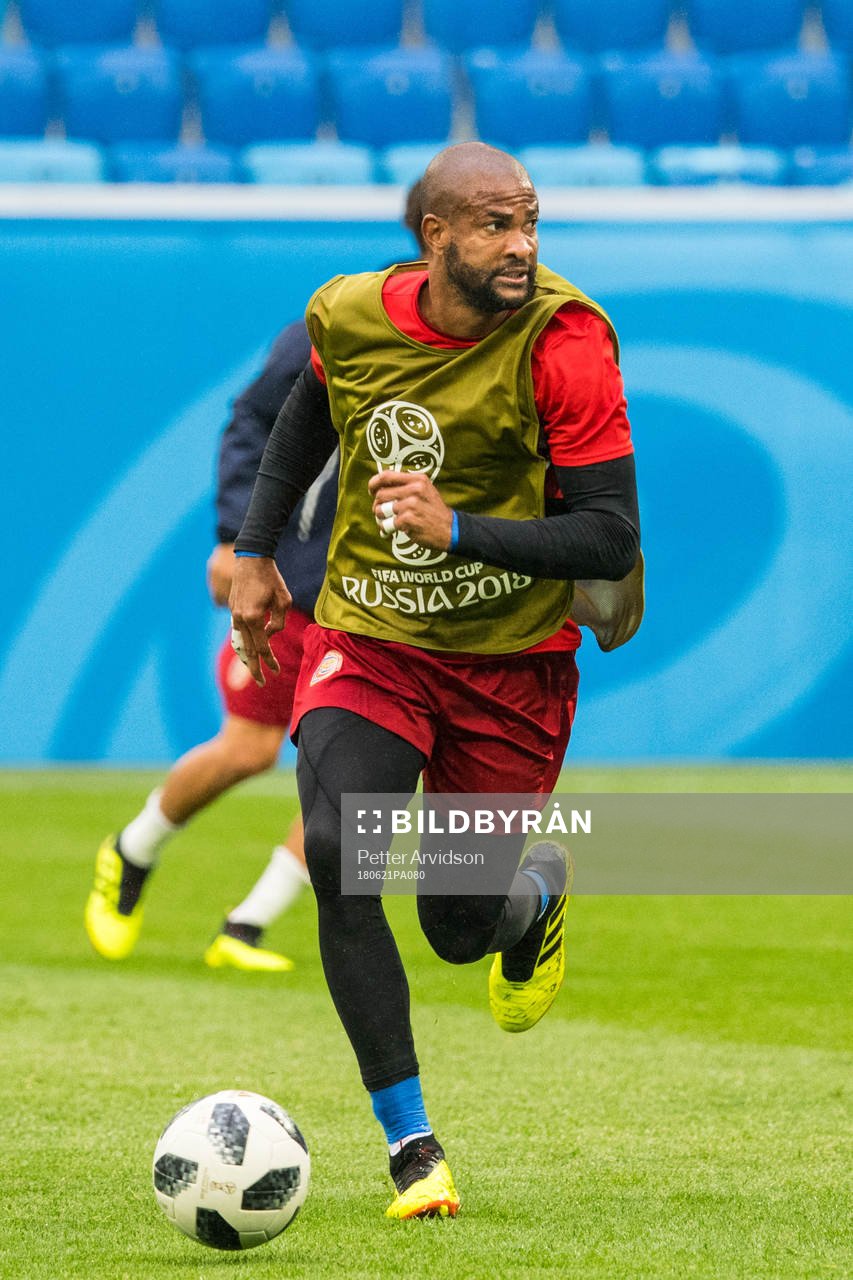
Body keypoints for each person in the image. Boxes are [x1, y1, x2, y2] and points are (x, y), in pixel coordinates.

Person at [229, 142, 642, 1219]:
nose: (524, 245)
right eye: (499, 226)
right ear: (437, 237)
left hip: (508, 668)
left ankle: (536, 896)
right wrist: (259, 551)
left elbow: (607, 537)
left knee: (457, 923)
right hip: (372, 637)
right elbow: (306, 418)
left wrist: (455, 528)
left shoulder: (567, 342)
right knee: (336, 845)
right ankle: (413, 1146)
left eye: (533, 222)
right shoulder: (350, 314)